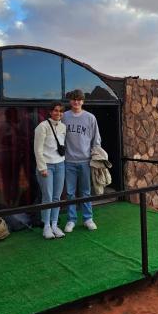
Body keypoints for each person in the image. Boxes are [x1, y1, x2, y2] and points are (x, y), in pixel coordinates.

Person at [62, 89, 101, 232]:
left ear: (83, 101)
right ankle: (71, 220)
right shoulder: (64, 117)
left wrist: (96, 155)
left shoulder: (90, 118)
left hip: (85, 160)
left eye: (79, 99)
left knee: (85, 191)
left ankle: (87, 218)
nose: (76, 102)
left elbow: (96, 139)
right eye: (74, 99)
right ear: (70, 101)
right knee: (70, 193)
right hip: (69, 161)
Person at [34, 102, 66, 239]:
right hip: (47, 166)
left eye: (60, 111)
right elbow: (38, 149)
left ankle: (54, 224)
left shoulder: (63, 126)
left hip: (60, 165)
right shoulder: (42, 127)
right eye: (55, 110)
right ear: (50, 112)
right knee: (47, 197)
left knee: (56, 197)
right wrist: (42, 168)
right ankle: (46, 226)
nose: (58, 113)